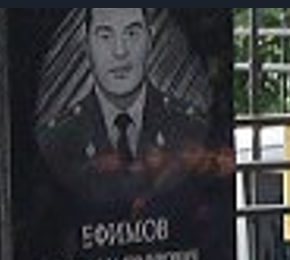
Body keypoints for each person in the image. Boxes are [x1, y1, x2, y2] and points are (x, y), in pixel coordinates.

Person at [37, 8, 208, 203]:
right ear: (87, 44)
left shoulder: (190, 127)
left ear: (150, 40)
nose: (120, 51)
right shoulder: (56, 139)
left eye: (131, 33)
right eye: (105, 36)